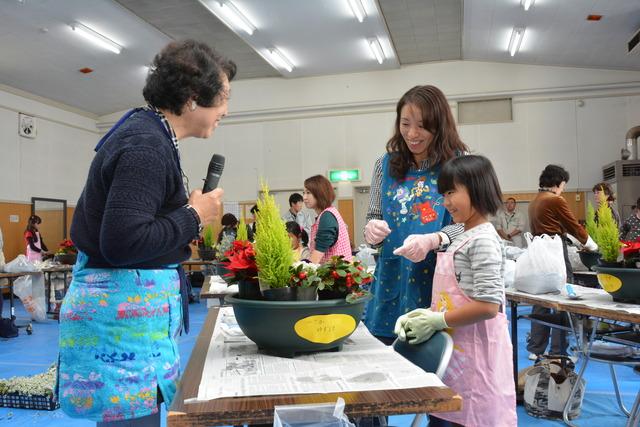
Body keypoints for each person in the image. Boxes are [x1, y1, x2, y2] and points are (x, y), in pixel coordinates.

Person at [58, 40, 234, 425]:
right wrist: (193, 215)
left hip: (130, 323)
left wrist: (183, 212)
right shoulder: (146, 146)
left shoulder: (148, 132)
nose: (225, 110)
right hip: (121, 328)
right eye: (222, 98)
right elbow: (122, 243)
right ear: (191, 99)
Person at [394, 155, 517, 427]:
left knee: (467, 416)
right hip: (455, 356)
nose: (446, 202)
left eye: (451, 192)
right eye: (443, 194)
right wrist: (425, 313)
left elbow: (488, 306)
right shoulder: (462, 235)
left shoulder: (483, 240)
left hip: (476, 360)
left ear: (477, 188)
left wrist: (438, 320)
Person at [362, 85, 468, 344]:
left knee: (433, 362)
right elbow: (373, 215)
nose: (412, 134)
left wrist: (435, 238)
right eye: (405, 123)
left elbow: (468, 225)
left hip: (437, 278)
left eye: (421, 125)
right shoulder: (384, 165)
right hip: (391, 276)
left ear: (439, 125)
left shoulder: (458, 163)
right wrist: (371, 231)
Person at [527, 164, 598, 360]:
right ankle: (559, 350)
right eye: (563, 186)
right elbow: (573, 226)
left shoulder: (536, 201)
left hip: (538, 253)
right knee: (564, 298)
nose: (563, 190)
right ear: (557, 183)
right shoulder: (554, 200)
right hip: (555, 254)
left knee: (541, 300)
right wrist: (593, 246)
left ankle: (536, 348)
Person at [303, 174, 352, 264]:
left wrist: (305, 271)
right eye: (304, 193)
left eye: (308, 193)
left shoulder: (327, 217)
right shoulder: (328, 213)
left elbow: (318, 254)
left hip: (336, 275)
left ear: (320, 193)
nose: (304, 197)